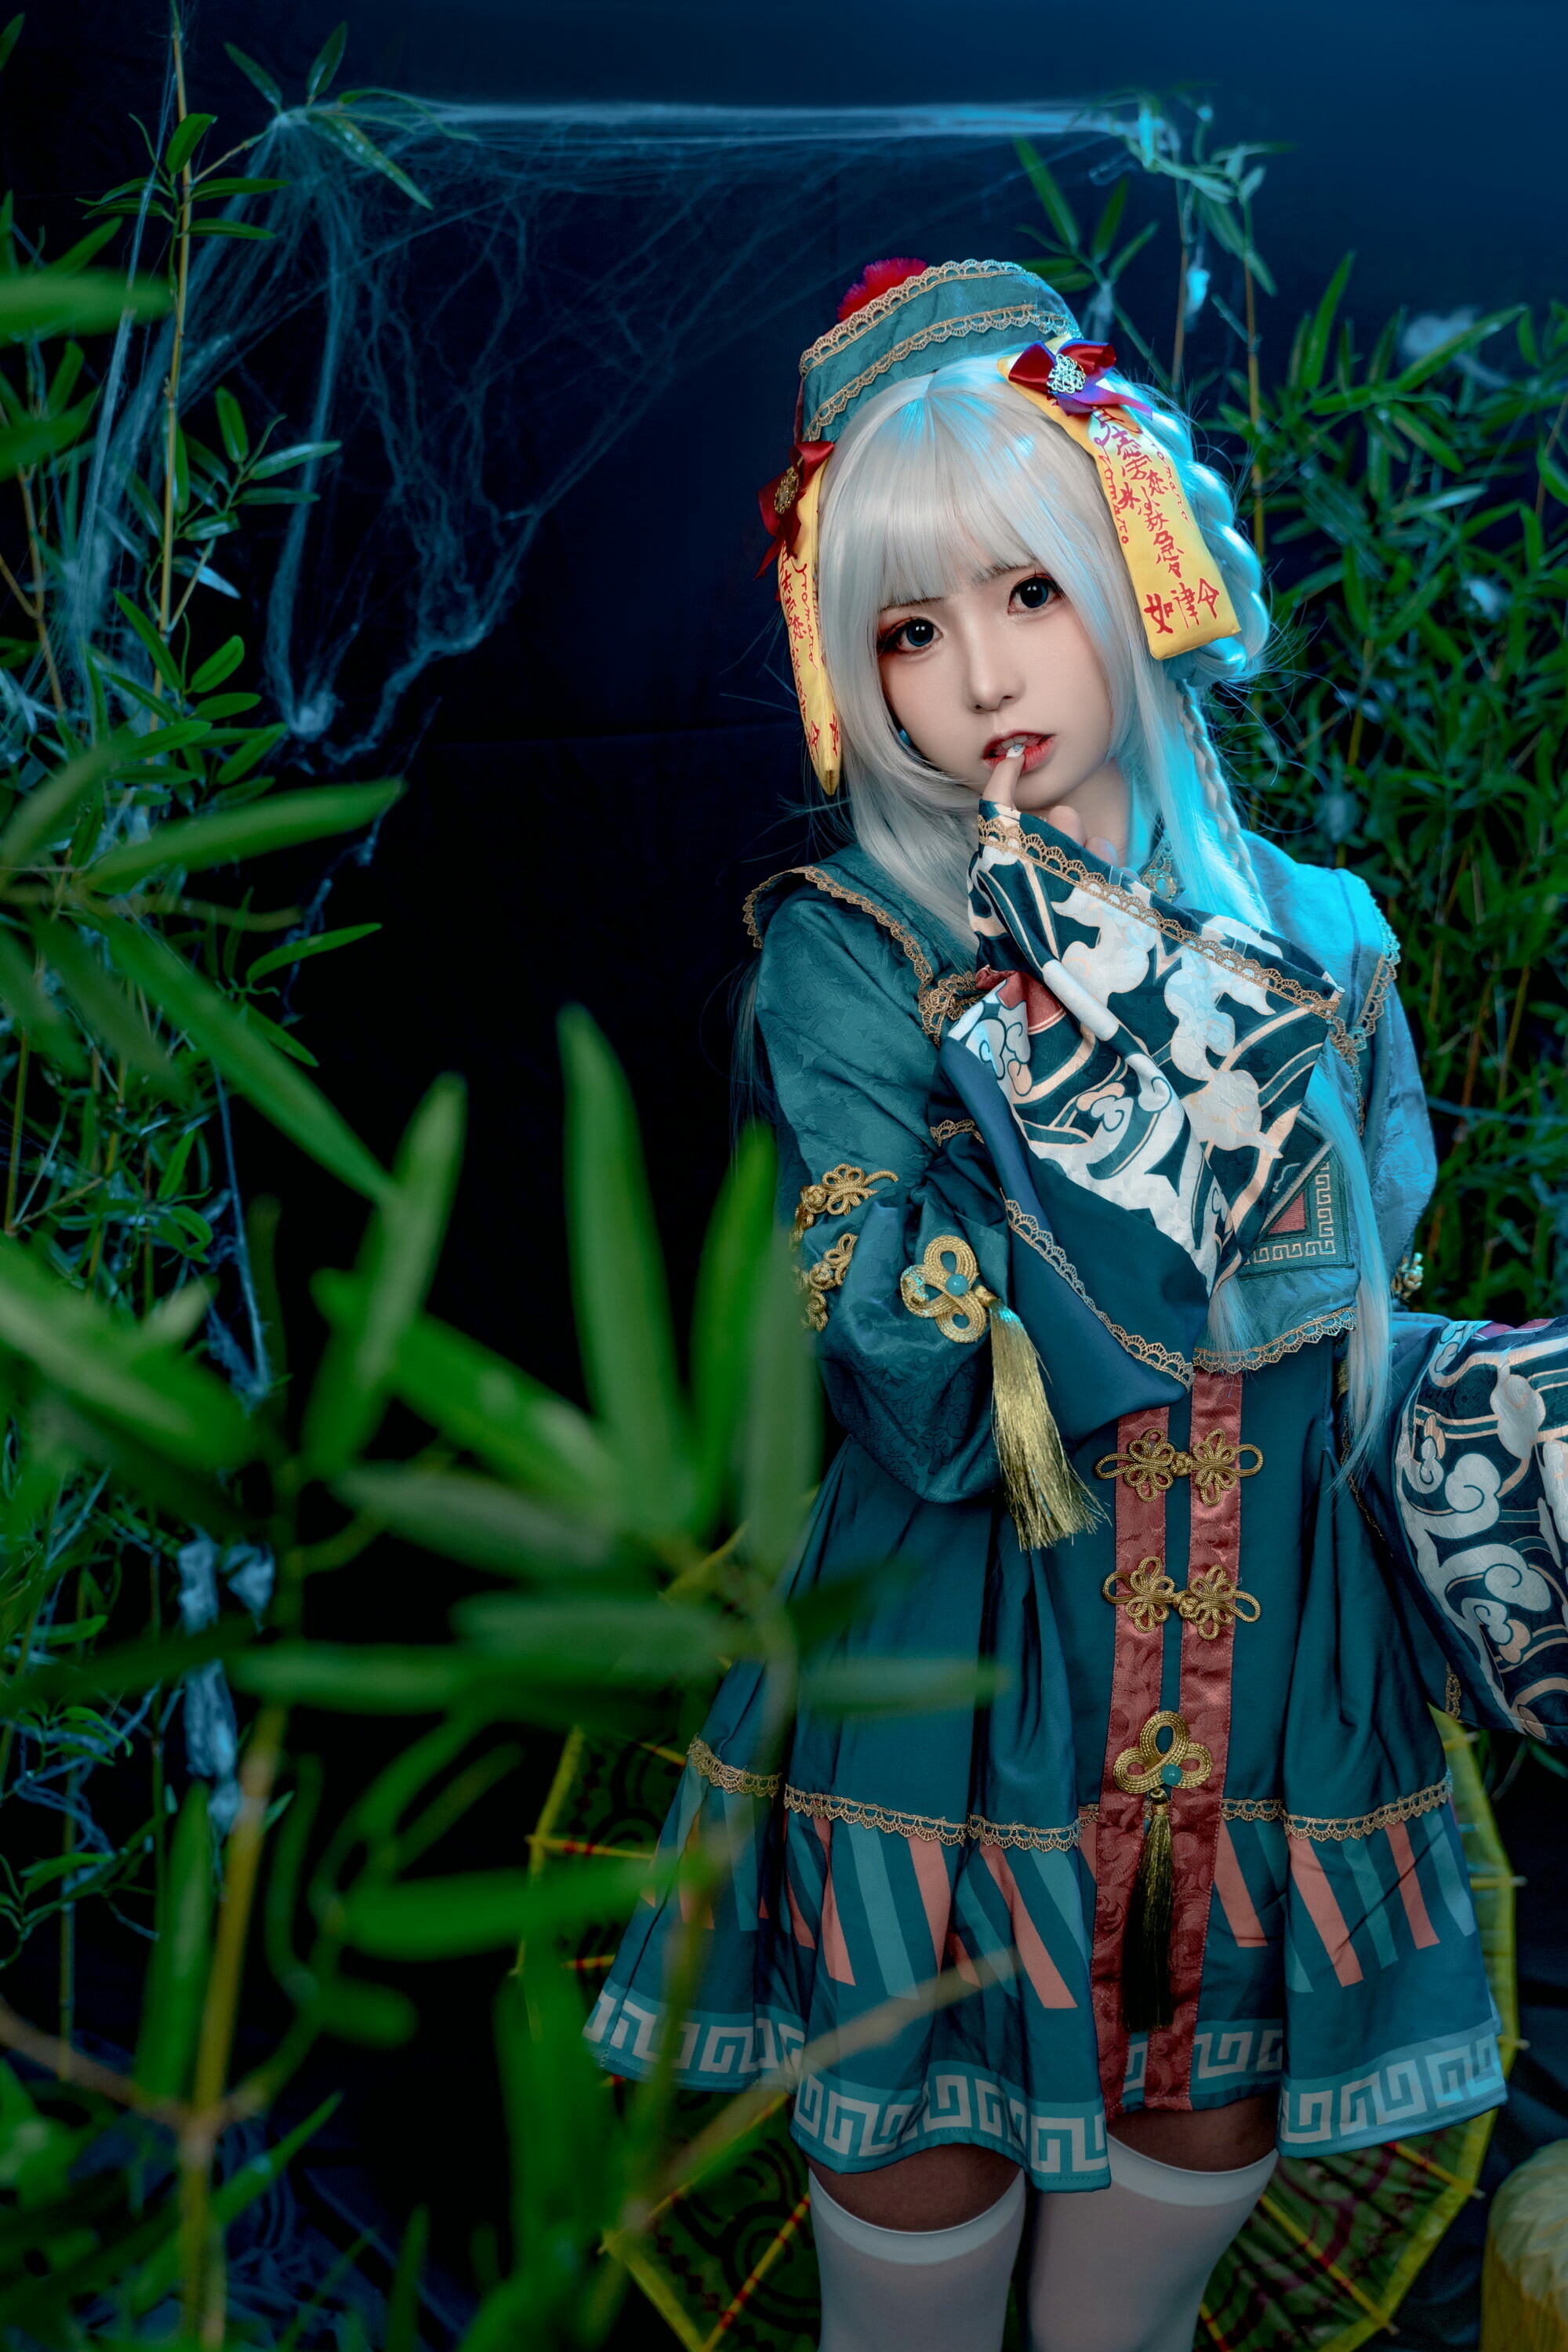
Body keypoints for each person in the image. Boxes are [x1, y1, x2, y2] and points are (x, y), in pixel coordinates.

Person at [587, 259, 1564, 2352]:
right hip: (960, 1702)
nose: (977, 678)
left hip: (1273, 1701)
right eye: (906, 631)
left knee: (1133, 2310)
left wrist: (1500, 1443)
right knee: (914, 2263)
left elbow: (1355, 1339)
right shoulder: (852, 956)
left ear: (1136, 567)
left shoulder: (1333, 936)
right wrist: (1091, 1088)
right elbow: (923, 1388)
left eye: (1027, 591)